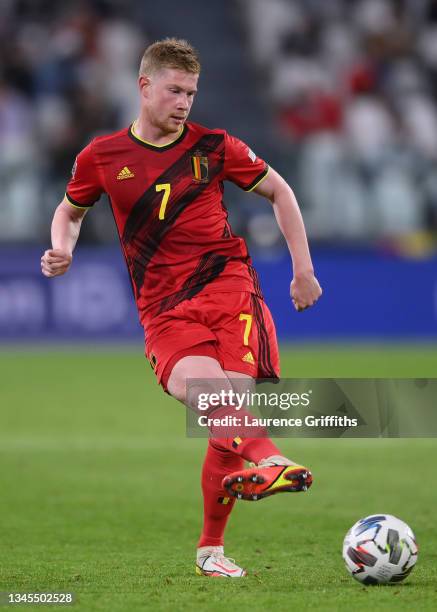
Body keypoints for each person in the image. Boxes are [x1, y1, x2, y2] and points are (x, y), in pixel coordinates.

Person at [41, 38, 322, 578]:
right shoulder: (101, 157)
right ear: (144, 86)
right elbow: (69, 211)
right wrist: (63, 248)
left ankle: (210, 552)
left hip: (230, 290)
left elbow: (280, 192)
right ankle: (272, 458)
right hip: (166, 309)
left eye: (191, 93)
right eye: (175, 90)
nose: (185, 102)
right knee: (211, 403)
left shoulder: (215, 147)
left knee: (223, 420)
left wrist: (302, 269)